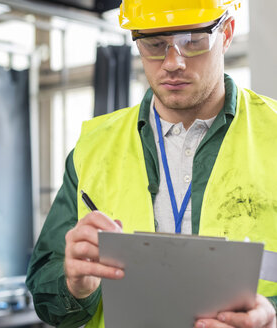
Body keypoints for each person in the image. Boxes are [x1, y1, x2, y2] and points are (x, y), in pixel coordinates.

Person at [25, 1, 277, 327]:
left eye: (193, 40)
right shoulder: (93, 149)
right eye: (154, 44)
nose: (173, 62)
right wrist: (74, 286)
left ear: (226, 33)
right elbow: (48, 293)